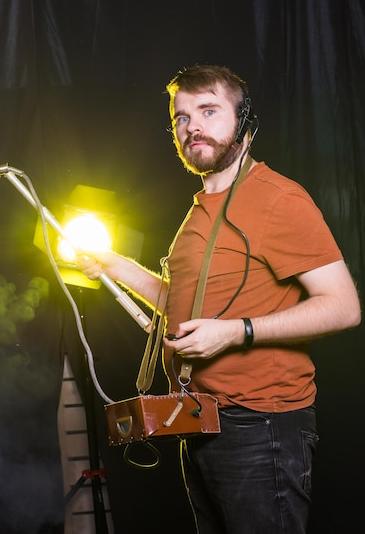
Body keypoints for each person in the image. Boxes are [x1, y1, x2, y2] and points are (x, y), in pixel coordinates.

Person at [77, 64, 361, 534]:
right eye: (181, 118)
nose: (193, 127)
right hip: (202, 422)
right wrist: (111, 263)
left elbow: (344, 306)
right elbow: (181, 305)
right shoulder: (199, 211)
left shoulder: (278, 199)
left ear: (244, 120)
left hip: (261, 427)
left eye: (208, 111)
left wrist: (236, 332)